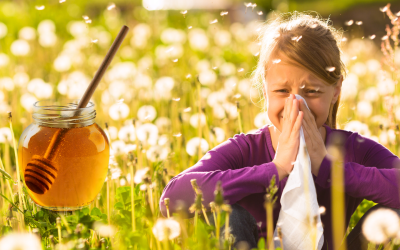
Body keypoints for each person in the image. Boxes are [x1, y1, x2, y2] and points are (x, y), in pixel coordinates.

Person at [159, 11, 400, 250]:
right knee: (225, 212)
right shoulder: (245, 149)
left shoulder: (350, 148)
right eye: (282, 91)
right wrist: (276, 169)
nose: (296, 104)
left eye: (312, 92)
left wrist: (329, 169)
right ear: (265, 89)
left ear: (336, 90)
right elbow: (171, 199)